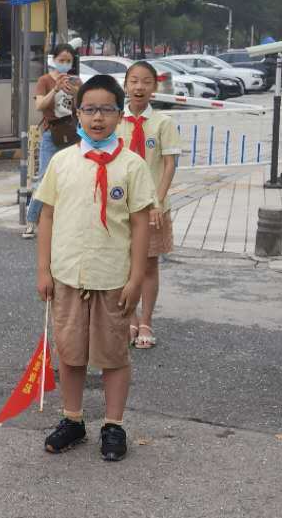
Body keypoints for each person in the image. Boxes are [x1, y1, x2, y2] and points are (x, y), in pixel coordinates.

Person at [33, 74, 154, 462]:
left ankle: (113, 424)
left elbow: (139, 225)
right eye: (89, 109)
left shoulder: (132, 166)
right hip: (69, 273)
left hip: (112, 277)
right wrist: (44, 270)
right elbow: (47, 218)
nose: (97, 118)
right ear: (77, 112)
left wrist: (136, 278)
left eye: (105, 109)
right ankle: (73, 418)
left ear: (119, 115)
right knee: (70, 352)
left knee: (114, 354)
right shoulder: (63, 161)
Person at [119, 60, 182, 349]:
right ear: (125, 85)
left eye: (146, 81)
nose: (139, 87)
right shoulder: (116, 122)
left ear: (154, 87)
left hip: (153, 207)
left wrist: (157, 201)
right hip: (121, 207)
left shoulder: (163, 123)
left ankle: (146, 321)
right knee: (122, 265)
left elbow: (169, 164)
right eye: (134, 81)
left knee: (148, 265)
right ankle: (128, 319)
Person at [23, 44, 80, 239]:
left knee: (72, 178)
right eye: (61, 60)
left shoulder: (76, 81)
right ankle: (31, 221)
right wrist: (55, 89)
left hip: (72, 133)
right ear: (53, 60)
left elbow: (81, 106)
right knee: (44, 178)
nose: (65, 64)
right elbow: (40, 105)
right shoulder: (45, 80)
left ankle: (67, 221)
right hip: (51, 132)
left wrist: (74, 91)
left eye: (68, 61)